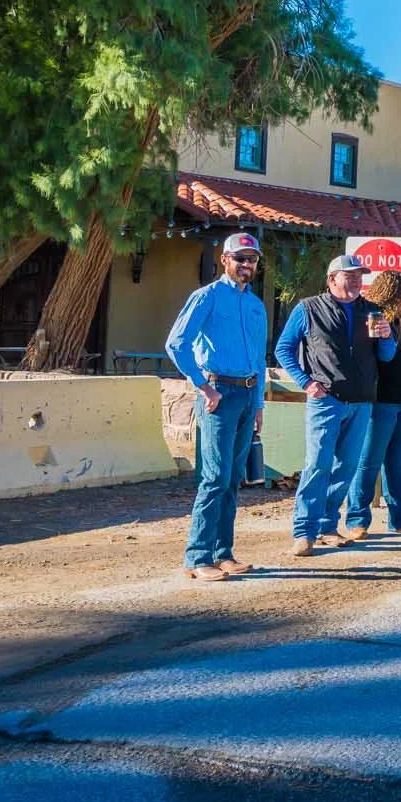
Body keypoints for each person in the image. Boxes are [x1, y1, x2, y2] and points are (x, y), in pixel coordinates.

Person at [163, 232, 271, 581]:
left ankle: (223, 553)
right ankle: (197, 556)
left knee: (233, 479)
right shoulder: (206, 297)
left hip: (246, 394)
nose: (246, 264)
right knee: (215, 477)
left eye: (251, 259)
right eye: (240, 258)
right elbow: (176, 344)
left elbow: (258, 357)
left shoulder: (255, 305)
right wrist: (203, 387)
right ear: (225, 260)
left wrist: (258, 404)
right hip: (219, 393)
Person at [275, 255, 398, 556]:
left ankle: (328, 525)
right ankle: (304, 531)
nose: (356, 280)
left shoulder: (371, 310)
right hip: (326, 400)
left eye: (359, 275)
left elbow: (387, 356)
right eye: (349, 275)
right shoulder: (308, 309)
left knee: (346, 467)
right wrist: (305, 382)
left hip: (361, 401)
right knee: (317, 464)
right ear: (332, 279)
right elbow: (283, 349)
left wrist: (387, 337)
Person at [348, 270, 401, 536]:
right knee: (368, 461)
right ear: (395, 290)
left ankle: (400, 518)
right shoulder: (374, 319)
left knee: (397, 462)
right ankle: (357, 519)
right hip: (380, 401)